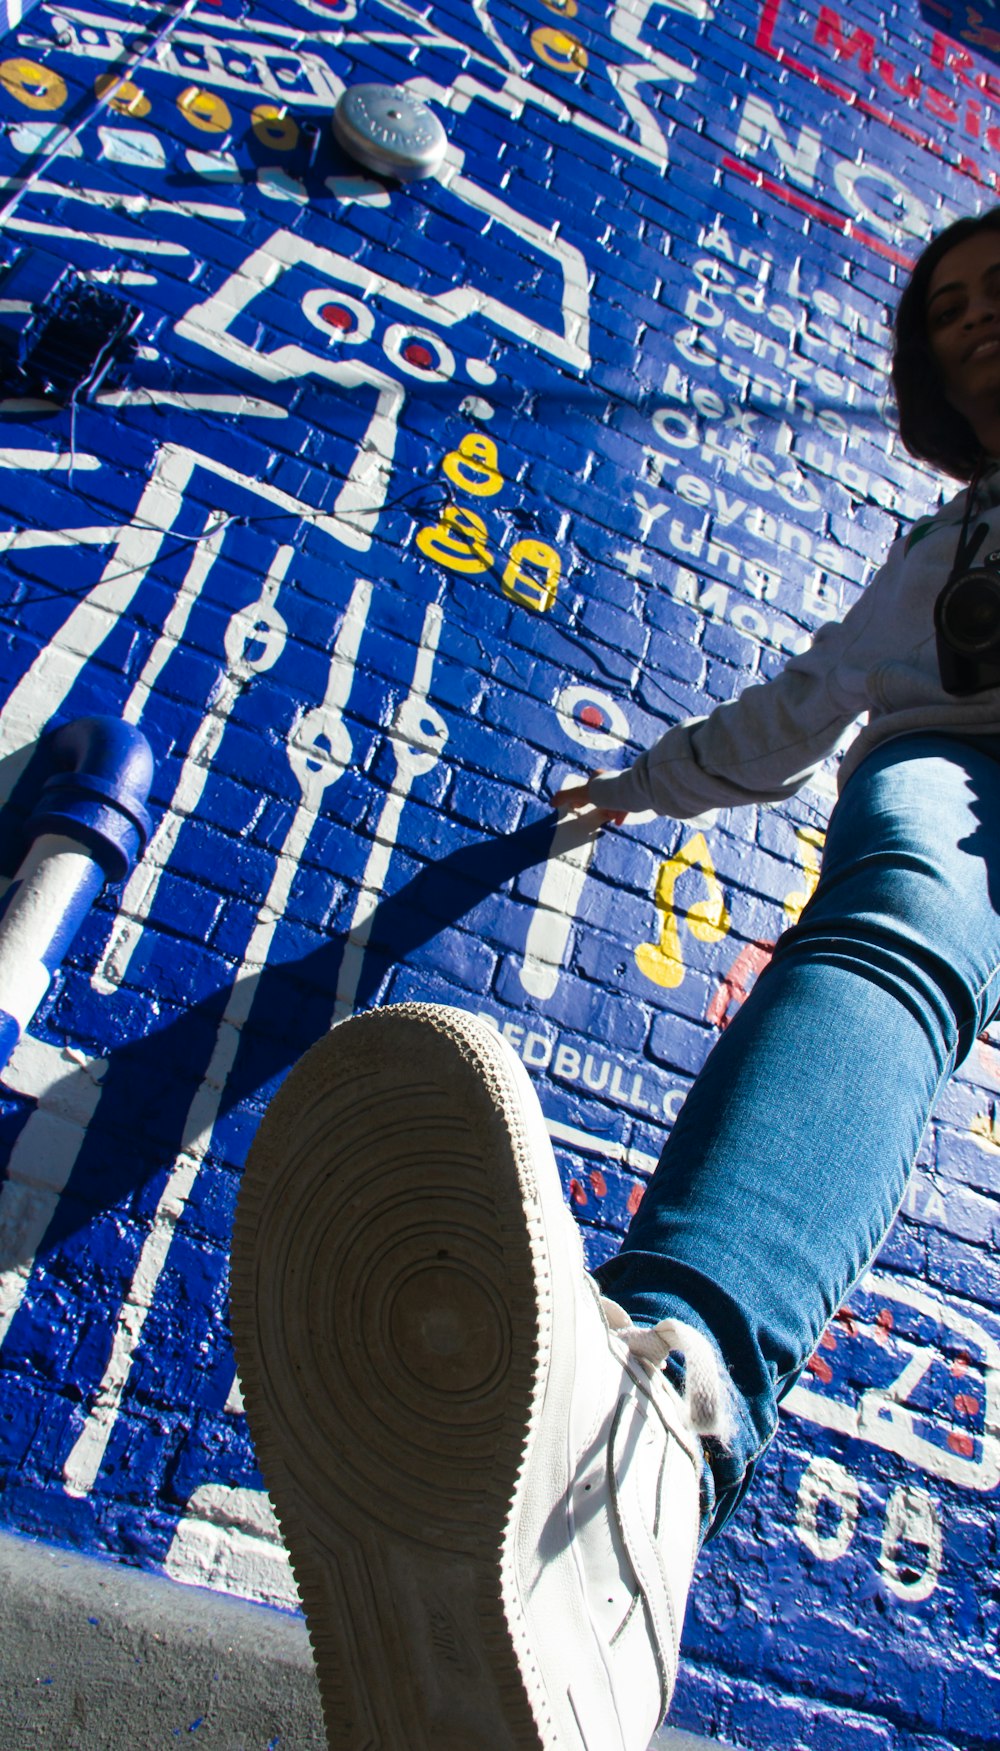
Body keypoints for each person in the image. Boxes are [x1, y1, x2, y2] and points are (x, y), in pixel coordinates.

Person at [229, 207, 1000, 1751]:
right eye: (954, 307)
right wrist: (652, 784)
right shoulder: (933, 549)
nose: (978, 318)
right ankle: (647, 1462)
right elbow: (812, 701)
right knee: (897, 883)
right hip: (959, 777)